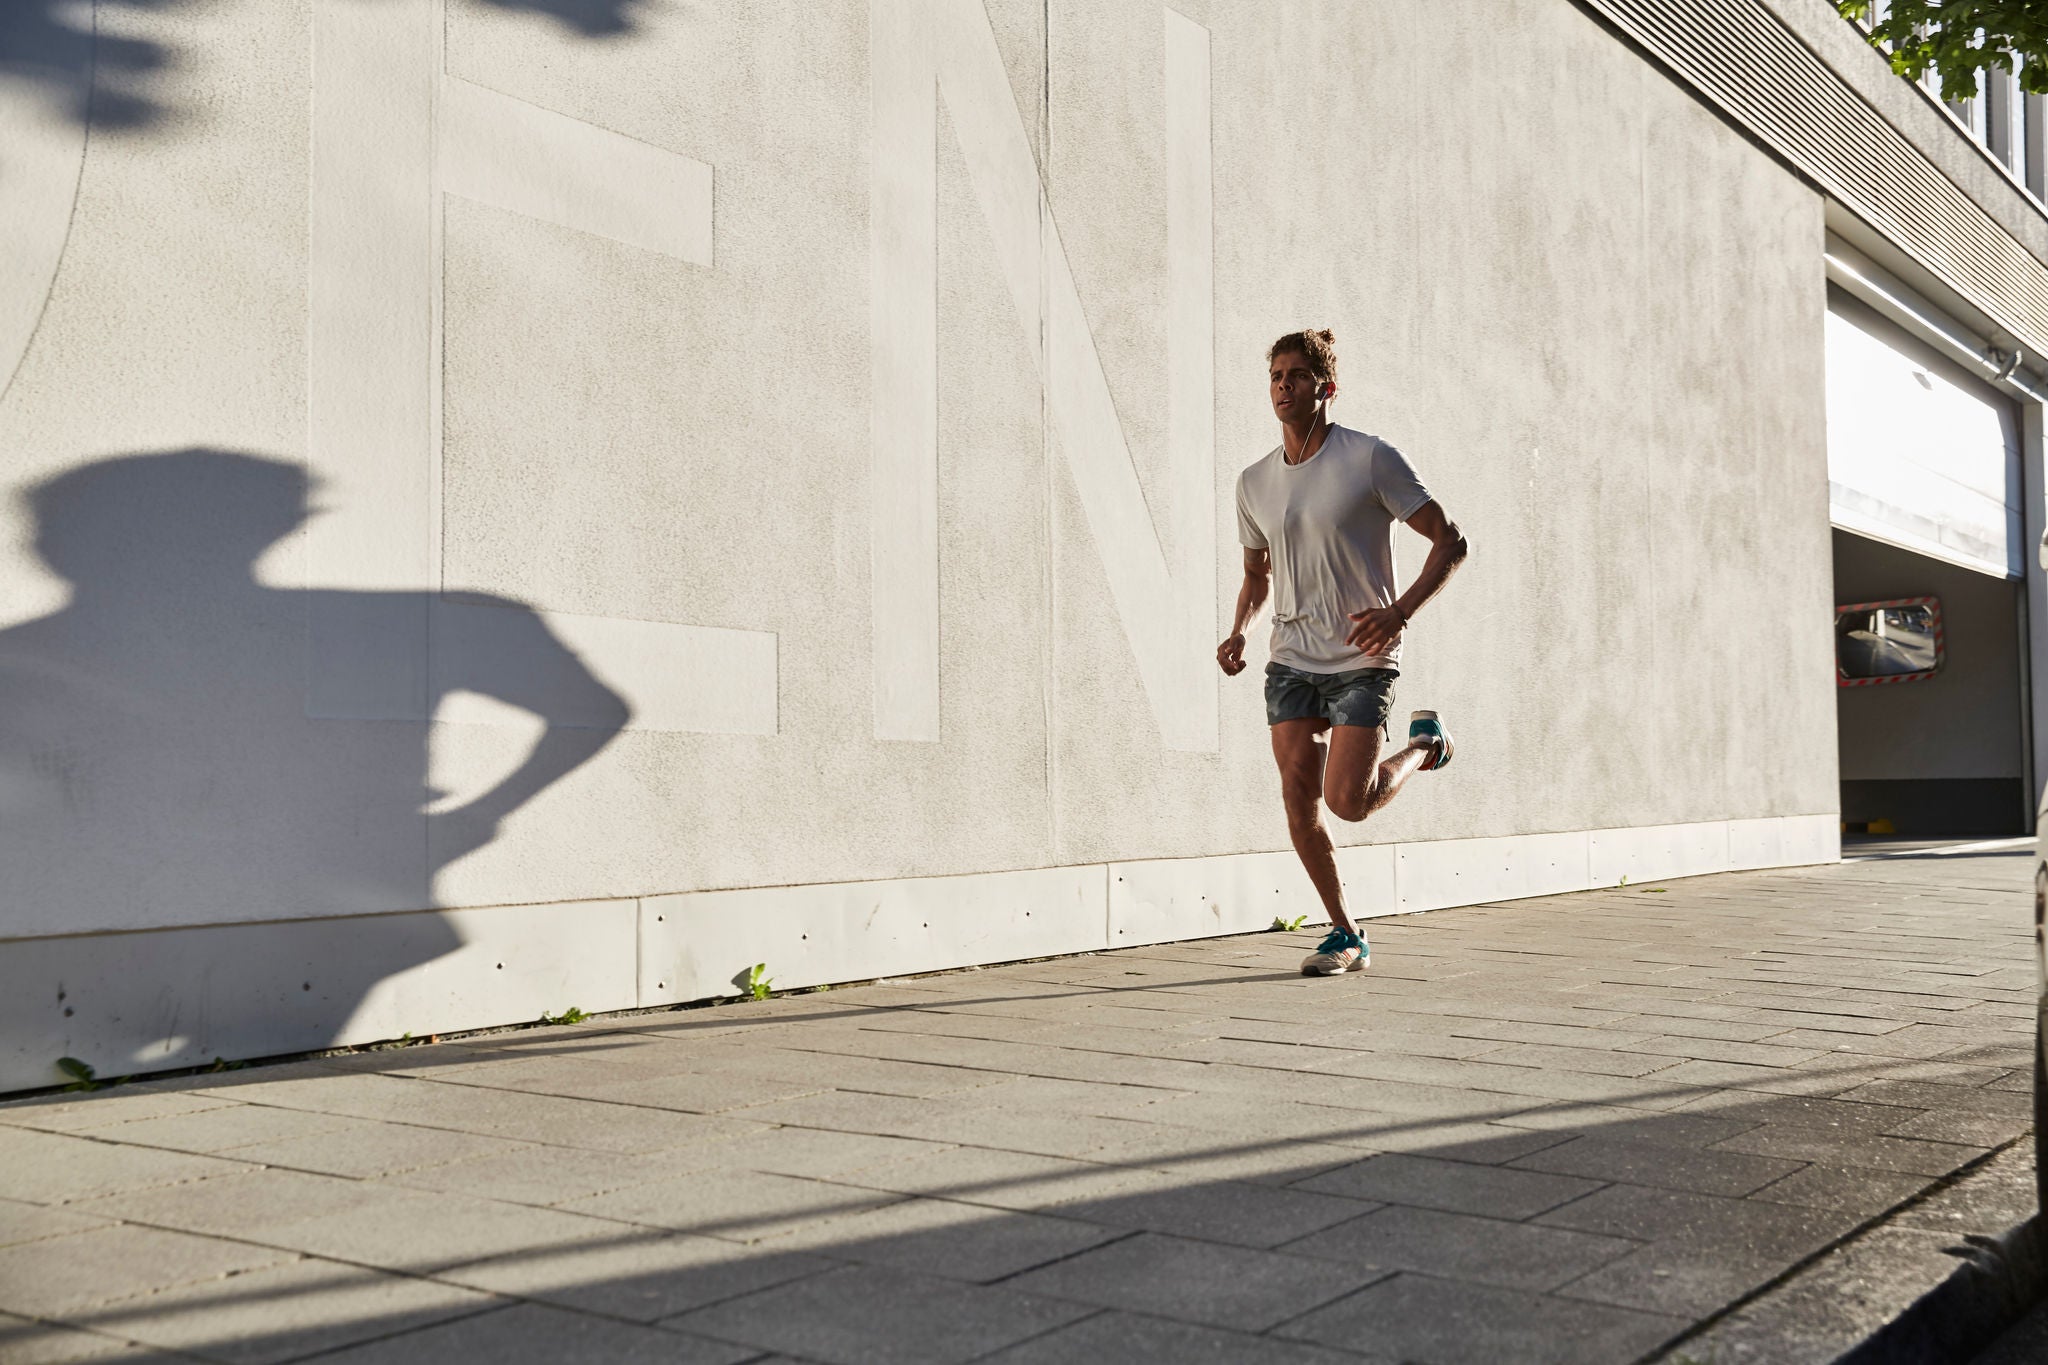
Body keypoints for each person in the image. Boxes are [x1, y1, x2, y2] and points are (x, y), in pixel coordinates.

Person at [1218, 331, 1469, 976]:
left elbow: (1450, 541)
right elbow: (1257, 574)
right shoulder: (1252, 483)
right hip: (1290, 659)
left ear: (1325, 388)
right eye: (1275, 375)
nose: (1283, 386)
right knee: (1298, 796)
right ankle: (1344, 931)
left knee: (1348, 804)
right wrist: (1240, 628)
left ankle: (1424, 747)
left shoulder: (1370, 460)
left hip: (1362, 656)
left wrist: (1399, 612)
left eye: (1298, 375)